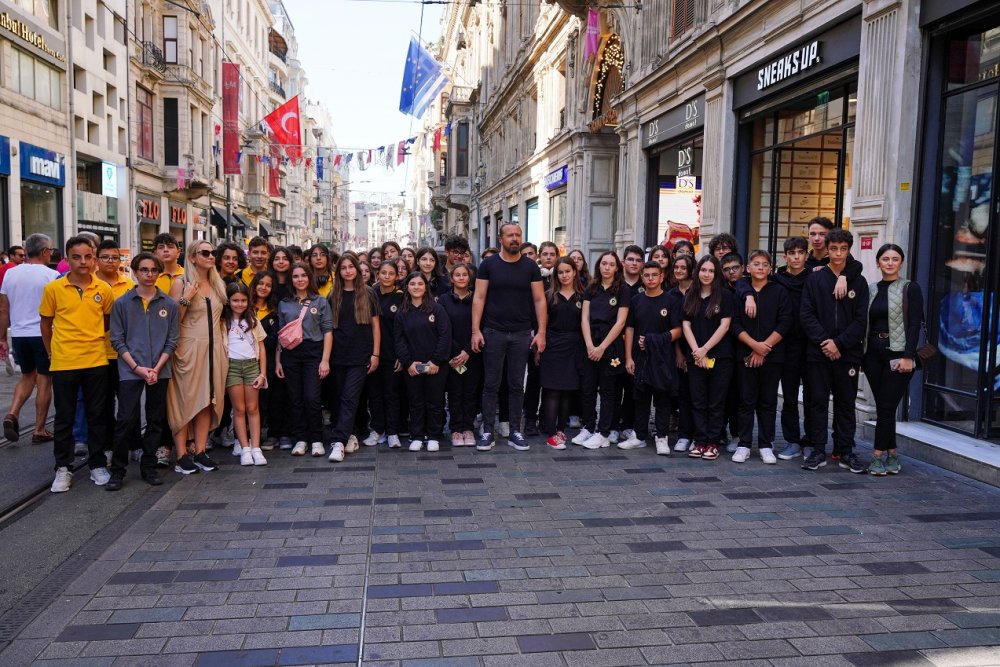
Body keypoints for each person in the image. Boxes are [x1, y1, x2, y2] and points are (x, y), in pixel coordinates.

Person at [40, 236, 114, 493]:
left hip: (95, 360)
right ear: (67, 259)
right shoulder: (54, 289)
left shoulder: (103, 289)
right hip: (64, 361)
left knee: (97, 415)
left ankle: (97, 464)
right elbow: (46, 324)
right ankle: (63, 468)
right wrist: (51, 352)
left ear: (94, 258)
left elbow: (106, 322)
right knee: (64, 418)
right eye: (76, 257)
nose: (83, 262)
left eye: (88, 256)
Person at [471, 223, 546, 452]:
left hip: (522, 333)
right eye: (510, 235)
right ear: (501, 238)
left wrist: (541, 332)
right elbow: (479, 298)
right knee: (491, 384)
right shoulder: (488, 265)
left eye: (518, 235)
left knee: (516, 384)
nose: (514, 238)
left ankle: (515, 430)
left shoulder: (531, 266)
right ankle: (487, 431)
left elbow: (539, 300)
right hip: (493, 332)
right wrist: (476, 330)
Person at [800, 229, 869, 473]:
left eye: (843, 249)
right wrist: (825, 342)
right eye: (833, 249)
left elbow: (861, 320)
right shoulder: (815, 278)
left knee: (846, 404)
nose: (838, 254)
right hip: (818, 353)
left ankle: (845, 450)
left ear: (849, 250)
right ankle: (818, 450)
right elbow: (806, 315)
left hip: (847, 353)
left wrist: (839, 343)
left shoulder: (858, 282)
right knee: (817, 402)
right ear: (826, 250)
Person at [108, 253, 178, 489]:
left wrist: (157, 368)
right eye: (144, 270)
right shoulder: (121, 303)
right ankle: (117, 471)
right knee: (125, 419)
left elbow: (172, 339)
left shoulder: (168, 304)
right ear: (135, 272)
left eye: (154, 270)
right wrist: (137, 368)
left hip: (160, 370)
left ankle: (148, 466)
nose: (149, 275)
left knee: (156, 419)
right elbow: (117, 340)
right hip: (131, 370)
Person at [167, 241, 229, 475]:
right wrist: (185, 298)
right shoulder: (180, 283)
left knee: (207, 400)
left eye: (213, 253)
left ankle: (200, 450)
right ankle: (182, 455)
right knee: (185, 401)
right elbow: (172, 322)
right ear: (192, 257)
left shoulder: (217, 283)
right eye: (205, 253)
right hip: (188, 350)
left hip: (214, 350)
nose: (211, 256)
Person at [863, 244, 922, 476]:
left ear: (902, 262)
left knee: (886, 407)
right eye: (885, 259)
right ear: (878, 262)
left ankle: (877, 456)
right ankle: (893, 454)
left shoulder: (910, 288)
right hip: (871, 355)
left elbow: (915, 324)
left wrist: (909, 356)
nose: (890, 263)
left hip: (898, 354)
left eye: (895, 259)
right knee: (884, 407)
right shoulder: (870, 289)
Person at [731, 250, 792, 464]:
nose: (760, 268)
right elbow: (735, 324)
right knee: (745, 401)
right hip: (745, 353)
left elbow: (785, 322)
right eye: (756, 264)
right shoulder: (740, 291)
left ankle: (766, 445)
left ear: (770, 268)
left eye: (764, 264)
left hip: (772, 355)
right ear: (748, 268)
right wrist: (754, 347)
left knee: (767, 402)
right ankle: (744, 444)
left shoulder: (779, 291)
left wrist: (763, 348)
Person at [0, 234, 57, 444]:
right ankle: (39, 429)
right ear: (44, 252)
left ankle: (12, 413)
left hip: (19, 334)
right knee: (44, 381)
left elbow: (4, 309)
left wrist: (2, 338)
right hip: (43, 334)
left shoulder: (10, 274)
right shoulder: (51, 276)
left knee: (26, 376)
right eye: (50, 250)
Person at [622, 261, 681, 454]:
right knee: (640, 397)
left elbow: (678, 330)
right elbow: (629, 328)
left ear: (662, 277)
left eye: (654, 275)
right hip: (640, 358)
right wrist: (629, 357)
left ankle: (661, 437)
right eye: (646, 275)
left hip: (663, 358)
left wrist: (655, 340)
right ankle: (639, 436)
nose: (650, 278)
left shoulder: (671, 301)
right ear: (642, 277)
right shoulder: (636, 300)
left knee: (662, 398)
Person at [276, 263, 333, 458]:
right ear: (291, 280)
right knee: (295, 397)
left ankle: (316, 438)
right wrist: (278, 361)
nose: (300, 279)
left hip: (313, 352)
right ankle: (300, 438)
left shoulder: (321, 302)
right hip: (290, 353)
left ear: (310, 278)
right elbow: (281, 335)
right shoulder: (284, 303)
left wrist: (325, 360)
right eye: (295, 276)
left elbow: (328, 331)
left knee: (312, 397)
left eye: (303, 276)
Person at [327, 254, 380, 462]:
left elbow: (376, 326)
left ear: (358, 269)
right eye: (344, 268)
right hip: (338, 355)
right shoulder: (334, 295)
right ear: (339, 271)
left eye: (351, 267)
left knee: (350, 397)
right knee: (341, 399)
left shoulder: (368, 293)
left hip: (361, 355)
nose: (348, 271)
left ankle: (338, 442)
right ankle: (349, 435)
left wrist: (375, 353)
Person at [682, 256, 735, 461]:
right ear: (697, 272)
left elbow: (725, 326)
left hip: (720, 357)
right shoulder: (690, 295)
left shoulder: (725, 296)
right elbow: (685, 325)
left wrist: (705, 349)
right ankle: (700, 440)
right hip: (695, 357)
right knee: (698, 400)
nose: (706, 274)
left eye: (711, 271)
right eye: (703, 270)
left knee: (716, 401)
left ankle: (713, 442)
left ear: (717, 273)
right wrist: (697, 351)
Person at [575, 251, 630, 449]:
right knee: (588, 388)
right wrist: (590, 345)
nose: (606, 267)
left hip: (611, 345)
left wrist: (602, 347)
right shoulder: (591, 288)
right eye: (603, 263)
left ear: (617, 268)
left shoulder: (622, 290)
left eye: (611, 264)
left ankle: (603, 432)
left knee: (608, 390)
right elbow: (584, 318)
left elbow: (621, 321)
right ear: (599, 265)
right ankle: (588, 427)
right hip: (590, 342)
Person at [395, 272, 451, 452]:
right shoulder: (402, 312)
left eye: (420, 284)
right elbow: (399, 340)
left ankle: (433, 435)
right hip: (412, 366)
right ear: (407, 287)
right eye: (413, 284)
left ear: (425, 287)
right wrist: (408, 362)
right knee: (415, 401)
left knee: (435, 401)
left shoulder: (437, 309)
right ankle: (417, 435)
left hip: (436, 365)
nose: (416, 287)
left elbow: (444, 336)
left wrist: (435, 361)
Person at [95, 240, 136, 462]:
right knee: (103, 405)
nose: (110, 261)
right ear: (97, 259)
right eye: (105, 257)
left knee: (129, 403)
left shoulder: (129, 285)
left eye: (114, 257)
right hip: (99, 353)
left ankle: (134, 443)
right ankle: (108, 446)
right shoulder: (91, 285)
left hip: (125, 354)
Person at [774, 237, 813, 461]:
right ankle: (792, 441)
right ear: (785, 256)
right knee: (789, 396)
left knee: (812, 395)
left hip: (810, 345)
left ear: (806, 256)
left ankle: (810, 440)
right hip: (785, 346)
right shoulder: (778, 281)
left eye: (801, 252)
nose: (796, 257)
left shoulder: (816, 279)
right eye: (792, 253)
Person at [539, 257, 584, 450]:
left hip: (575, 346)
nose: (564, 275)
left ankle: (560, 429)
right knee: (552, 390)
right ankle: (550, 433)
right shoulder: (549, 296)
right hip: (553, 345)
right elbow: (543, 323)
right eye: (560, 272)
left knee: (568, 390)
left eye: (568, 271)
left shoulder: (584, 296)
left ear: (575, 272)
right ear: (556, 275)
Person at [222, 282, 268, 466]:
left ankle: (256, 447)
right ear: (228, 301)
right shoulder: (222, 322)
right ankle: (244, 448)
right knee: (238, 410)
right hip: (232, 367)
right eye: (235, 300)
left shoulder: (253, 321)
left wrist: (263, 373)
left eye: (243, 300)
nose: (239, 304)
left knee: (253, 408)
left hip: (251, 367)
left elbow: (262, 349)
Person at [439, 262, 479, 447]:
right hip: (452, 356)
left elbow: (480, 326)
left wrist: (467, 351)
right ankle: (456, 429)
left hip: (473, 353)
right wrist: (456, 353)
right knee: (455, 393)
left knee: (470, 392)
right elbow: (443, 329)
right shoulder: (444, 300)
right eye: (458, 275)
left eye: (465, 275)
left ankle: (468, 428)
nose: (462, 278)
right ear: (451, 278)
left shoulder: (477, 299)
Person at [523, 241, 560, 435]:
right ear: (539, 256)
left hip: (554, 336)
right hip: (534, 334)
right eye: (544, 254)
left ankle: (548, 418)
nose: (548, 257)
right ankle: (530, 418)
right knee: (534, 379)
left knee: (551, 379)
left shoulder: (562, 276)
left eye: (552, 254)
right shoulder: (533, 275)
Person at [368, 260, 405, 448]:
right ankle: (377, 429)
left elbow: (404, 329)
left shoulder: (401, 297)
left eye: (391, 273)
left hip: (393, 353)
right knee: (374, 394)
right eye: (384, 273)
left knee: (392, 394)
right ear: (378, 274)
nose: (387, 277)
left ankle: (392, 431)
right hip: (373, 353)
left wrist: (402, 355)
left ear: (397, 276)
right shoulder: (370, 294)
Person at [251, 271, 285, 451]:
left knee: (273, 397)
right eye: (260, 283)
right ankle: (249, 434)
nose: (263, 287)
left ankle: (273, 434)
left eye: (268, 285)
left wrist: (257, 341)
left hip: (270, 359)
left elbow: (276, 337)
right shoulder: (244, 306)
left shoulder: (274, 311)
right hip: (246, 361)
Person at [667, 255, 696, 452]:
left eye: (682, 267)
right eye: (676, 267)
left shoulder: (699, 291)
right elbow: (673, 327)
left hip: (700, 348)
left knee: (700, 397)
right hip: (680, 350)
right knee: (684, 395)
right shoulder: (672, 294)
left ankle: (700, 435)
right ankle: (684, 435)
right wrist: (679, 354)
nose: (678, 271)